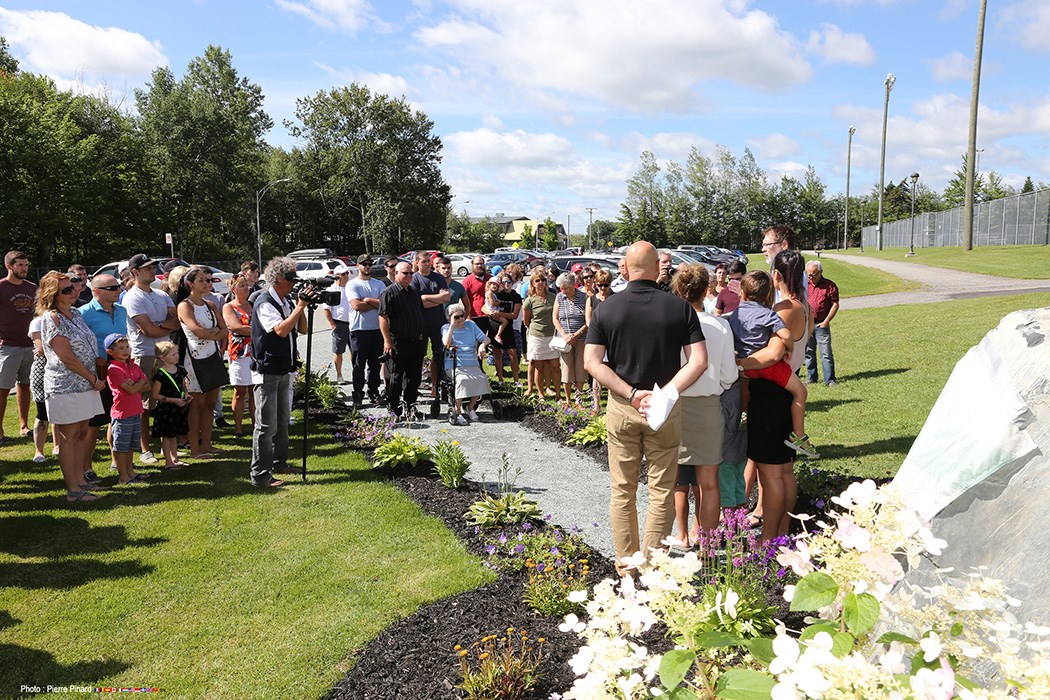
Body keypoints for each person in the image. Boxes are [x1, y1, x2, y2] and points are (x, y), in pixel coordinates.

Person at [584, 241, 707, 575]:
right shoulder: (679, 308)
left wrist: (630, 392)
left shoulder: (607, 308)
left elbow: (592, 362)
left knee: (622, 489)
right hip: (663, 409)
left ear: (625, 268)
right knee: (662, 489)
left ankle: (627, 564)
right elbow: (699, 360)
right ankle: (652, 566)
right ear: (656, 268)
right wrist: (665, 392)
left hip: (623, 406)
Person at [739, 249, 813, 543]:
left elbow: (771, 354)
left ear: (777, 275)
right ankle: (781, 531)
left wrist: (739, 363)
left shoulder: (783, 309)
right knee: (783, 472)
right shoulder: (804, 306)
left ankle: (768, 539)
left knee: (771, 476)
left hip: (770, 392)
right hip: (786, 391)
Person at [670, 265, 739, 545]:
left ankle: (683, 535)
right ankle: (707, 546)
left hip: (674, 407)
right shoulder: (720, 325)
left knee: (677, 481)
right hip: (709, 407)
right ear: (706, 290)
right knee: (708, 482)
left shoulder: (670, 325)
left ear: (677, 290)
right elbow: (729, 375)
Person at [729, 270, 816, 458]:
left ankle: (745, 415)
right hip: (769, 367)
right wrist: (789, 347)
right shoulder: (768, 314)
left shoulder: (735, 314)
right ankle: (799, 435)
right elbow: (785, 335)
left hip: (748, 367)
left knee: (746, 387)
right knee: (801, 392)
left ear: (742, 293)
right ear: (769, 294)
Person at [37, 272, 106, 503]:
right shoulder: (51, 318)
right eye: (67, 290)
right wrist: (92, 378)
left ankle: (81, 481)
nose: (74, 292)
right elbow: (66, 357)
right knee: (69, 437)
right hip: (66, 385)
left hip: (85, 384)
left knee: (82, 433)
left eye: (74, 288)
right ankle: (73, 490)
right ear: (53, 294)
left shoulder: (75, 313)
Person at [250, 257, 310, 487]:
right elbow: (280, 331)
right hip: (267, 370)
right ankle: (260, 474)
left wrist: (300, 306)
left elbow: (302, 329)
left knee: (283, 421)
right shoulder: (264, 302)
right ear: (277, 279)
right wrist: (299, 306)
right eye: (291, 278)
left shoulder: (284, 300)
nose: (294, 283)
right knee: (266, 426)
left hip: (285, 367)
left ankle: (280, 463)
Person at [124, 253, 181, 464]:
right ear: (135, 272)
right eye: (147, 267)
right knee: (144, 405)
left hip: (164, 354)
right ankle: (145, 449)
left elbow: (177, 322)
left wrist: (158, 326)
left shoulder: (161, 294)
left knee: (166, 402)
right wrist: (160, 326)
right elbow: (148, 331)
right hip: (145, 354)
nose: (152, 270)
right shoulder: (132, 297)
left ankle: (169, 448)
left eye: (153, 266)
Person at [80, 273, 127, 479]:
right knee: (94, 423)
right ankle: (86, 468)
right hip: (96, 373)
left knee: (116, 417)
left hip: (120, 370)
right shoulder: (83, 313)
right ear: (96, 291)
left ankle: (117, 461)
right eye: (112, 288)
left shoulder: (122, 311)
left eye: (118, 286)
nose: (118, 290)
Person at [177, 266, 227, 458]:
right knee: (196, 405)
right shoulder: (185, 305)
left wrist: (211, 333)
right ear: (190, 284)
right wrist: (213, 333)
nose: (207, 284)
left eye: (208, 281)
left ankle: (207, 444)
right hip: (194, 359)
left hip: (212, 356)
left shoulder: (211, 305)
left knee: (210, 403)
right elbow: (197, 332)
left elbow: (225, 330)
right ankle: (195, 449)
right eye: (202, 281)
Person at [379, 261, 425, 422]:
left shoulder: (413, 292)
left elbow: (418, 314)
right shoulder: (389, 292)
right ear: (396, 273)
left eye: (411, 273)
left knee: (414, 378)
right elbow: (383, 317)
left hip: (416, 342)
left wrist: (420, 333)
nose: (409, 276)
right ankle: (394, 410)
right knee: (396, 377)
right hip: (398, 342)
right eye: (405, 273)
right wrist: (387, 341)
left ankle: (411, 407)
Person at [104, 333, 151, 485]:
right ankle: (123, 475)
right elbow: (131, 390)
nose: (126, 350)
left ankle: (130, 471)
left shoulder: (133, 365)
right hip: (122, 413)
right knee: (121, 446)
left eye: (127, 347)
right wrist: (138, 384)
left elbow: (147, 384)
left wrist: (135, 384)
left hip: (135, 411)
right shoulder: (113, 369)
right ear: (110, 352)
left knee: (131, 444)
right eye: (121, 348)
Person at [0, 250, 37, 443]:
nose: (24, 268)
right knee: (2, 388)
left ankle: (24, 426)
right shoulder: (1, 287)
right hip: (7, 346)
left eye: (26, 265)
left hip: (29, 345)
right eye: (20, 265)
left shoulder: (32, 288)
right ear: (9, 266)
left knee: (25, 385)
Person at [441, 302, 491, 425]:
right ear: (450, 318)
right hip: (454, 365)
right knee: (462, 380)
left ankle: (470, 407)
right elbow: (446, 344)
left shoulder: (471, 325)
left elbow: (486, 338)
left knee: (481, 378)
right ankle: (457, 411)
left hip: (472, 363)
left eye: (462, 316)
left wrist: (482, 346)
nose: (461, 319)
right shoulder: (446, 328)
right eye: (456, 317)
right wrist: (452, 327)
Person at [346, 254, 385, 408]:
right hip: (359, 330)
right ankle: (357, 393)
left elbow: (385, 304)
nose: (367, 267)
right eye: (364, 264)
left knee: (375, 365)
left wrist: (367, 300)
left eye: (369, 264)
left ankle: (373, 391)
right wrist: (374, 303)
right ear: (358, 266)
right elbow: (356, 306)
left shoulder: (379, 284)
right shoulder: (352, 284)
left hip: (377, 330)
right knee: (358, 365)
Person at [410, 251, 451, 399]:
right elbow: (418, 304)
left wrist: (426, 297)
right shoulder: (414, 279)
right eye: (424, 262)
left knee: (439, 355)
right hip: (420, 325)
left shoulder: (438, 278)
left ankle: (436, 385)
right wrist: (436, 299)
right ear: (417, 263)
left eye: (429, 261)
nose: (427, 264)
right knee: (418, 356)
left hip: (438, 323)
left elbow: (446, 297)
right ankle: (414, 387)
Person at [223, 273, 255, 438]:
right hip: (239, 353)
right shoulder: (229, 307)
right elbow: (236, 327)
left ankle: (257, 425)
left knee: (254, 391)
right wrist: (261, 331)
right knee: (239, 391)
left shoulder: (253, 304)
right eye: (242, 286)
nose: (246, 288)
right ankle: (238, 428)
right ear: (233, 289)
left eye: (247, 285)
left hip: (255, 352)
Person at [151, 340, 191, 470]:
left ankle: (175, 459)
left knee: (174, 435)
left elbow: (183, 386)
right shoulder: (160, 374)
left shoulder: (180, 369)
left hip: (178, 408)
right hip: (166, 409)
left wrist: (186, 395)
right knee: (166, 436)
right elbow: (155, 395)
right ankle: (168, 461)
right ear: (163, 357)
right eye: (173, 354)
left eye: (177, 353)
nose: (177, 356)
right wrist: (173, 400)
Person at [521, 267, 560, 400]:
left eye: (543, 279)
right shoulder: (530, 300)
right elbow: (526, 321)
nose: (541, 282)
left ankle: (558, 394)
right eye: (537, 280)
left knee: (555, 366)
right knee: (539, 367)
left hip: (552, 336)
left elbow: (557, 315)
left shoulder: (553, 297)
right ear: (532, 283)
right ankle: (540, 393)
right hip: (536, 336)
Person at [552, 272, 589, 403]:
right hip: (565, 339)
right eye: (562, 288)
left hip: (581, 337)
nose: (563, 290)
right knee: (566, 368)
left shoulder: (584, 297)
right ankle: (568, 399)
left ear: (573, 285)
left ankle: (578, 398)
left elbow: (588, 320)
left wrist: (577, 334)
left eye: (566, 288)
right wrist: (564, 334)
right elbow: (555, 318)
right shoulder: (559, 297)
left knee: (580, 367)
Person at [805, 260, 839, 387]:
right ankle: (811, 377)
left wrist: (826, 321)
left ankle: (830, 379)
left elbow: (835, 304)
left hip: (821, 324)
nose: (811, 277)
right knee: (809, 352)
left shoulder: (830, 285)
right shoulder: (804, 285)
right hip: (807, 324)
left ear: (820, 272)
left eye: (813, 274)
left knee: (826, 353)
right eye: (808, 275)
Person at [585, 268, 615, 411]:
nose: (603, 288)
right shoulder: (591, 300)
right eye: (600, 285)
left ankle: (611, 404)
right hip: (597, 340)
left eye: (606, 285)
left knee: (611, 372)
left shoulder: (615, 299)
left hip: (613, 340)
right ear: (595, 284)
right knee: (597, 373)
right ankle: (596, 405)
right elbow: (588, 321)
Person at [322, 263, 353, 384]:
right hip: (339, 324)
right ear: (337, 276)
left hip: (353, 323)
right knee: (338, 351)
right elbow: (326, 309)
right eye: (343, 274)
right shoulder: (331, 290)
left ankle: (355, 372)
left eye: (347, 273)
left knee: (354, 350)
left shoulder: (351, 287)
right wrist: (333, 325)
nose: (346, 276)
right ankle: (339, 375)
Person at [494, 273, 523, 382]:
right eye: (504, 282)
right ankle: (500, 379)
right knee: (497, 353)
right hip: (496, 327)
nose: (506, 284)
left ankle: (516, 380)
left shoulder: (515, 296)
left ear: (512, 283)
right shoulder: (497, 295)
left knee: (513, 354)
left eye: (509, 282)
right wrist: (492, 313)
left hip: (510, 328)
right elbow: (486, 306)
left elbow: (514, 315)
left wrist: (500, 314)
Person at [481, 277, 509, 346]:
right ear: (489, 285)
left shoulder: (493, 293)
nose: (494, 286)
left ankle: (497, 335)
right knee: (505, 321)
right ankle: (498, 335)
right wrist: (499, 302)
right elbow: (493, 303)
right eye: (493, 284)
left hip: (495, 310)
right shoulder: (489, 293)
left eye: (496, 285)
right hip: (493, 311)